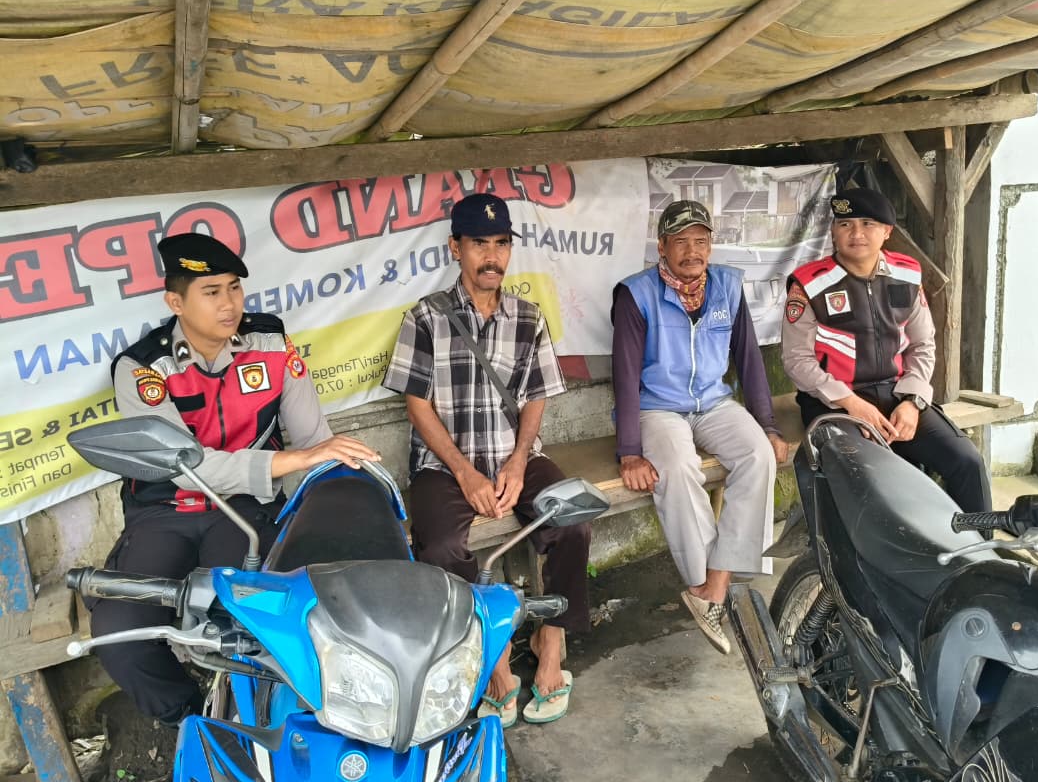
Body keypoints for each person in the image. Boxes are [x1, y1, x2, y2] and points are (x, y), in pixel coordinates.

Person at [96, 232, 379, 726]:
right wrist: (294, 460)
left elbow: (314, 439)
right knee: (120, 632)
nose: (229, 304)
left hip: (246, 508)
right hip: (165, 512)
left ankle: (262, 724)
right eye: (211, 292)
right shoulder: (143, 369)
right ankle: (193, 722)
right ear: (175, 302)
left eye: (234, 288)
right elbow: (189, 468)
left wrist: (340, 503)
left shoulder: (271, 344)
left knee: (256, 620)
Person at [382, 193, 589, 726]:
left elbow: (536, 398)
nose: (491, 256)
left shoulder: (528, 318)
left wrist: (518, 462)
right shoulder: (425, 317)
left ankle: (550, 641)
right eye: (479, 244)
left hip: (514, 456)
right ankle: (494, 656)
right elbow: (417, 405)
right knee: (441, 547)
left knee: (573, 522)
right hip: (445, 466)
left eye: (500, 244)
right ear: (456, 248)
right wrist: (465, 472)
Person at [612, 199, 789, 655]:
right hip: (658, 407)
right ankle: (701, 583)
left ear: (710, 245)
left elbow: (748, 358)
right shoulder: (636, 294)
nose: (692, 251)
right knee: (676, 467)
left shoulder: (727, 285)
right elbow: (625, 375)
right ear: (662, 247)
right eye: (681, 242)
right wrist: (629, 451)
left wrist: (768, 425)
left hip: (713, 401)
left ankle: (714, 585)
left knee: (758, 455)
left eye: (701, 241)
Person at [781, 189, 992, 512]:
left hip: (897, 395)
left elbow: (922, 344)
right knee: (868, 479)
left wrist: (912, 401)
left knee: (967, 462)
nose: (856, 234)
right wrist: (850, 403)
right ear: (834, 231)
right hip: (834, 403)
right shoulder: (810, 284)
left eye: (868, 224)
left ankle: (980, 543)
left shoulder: (907, 274)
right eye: (846, 224)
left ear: (887, 231)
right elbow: (797, 360)